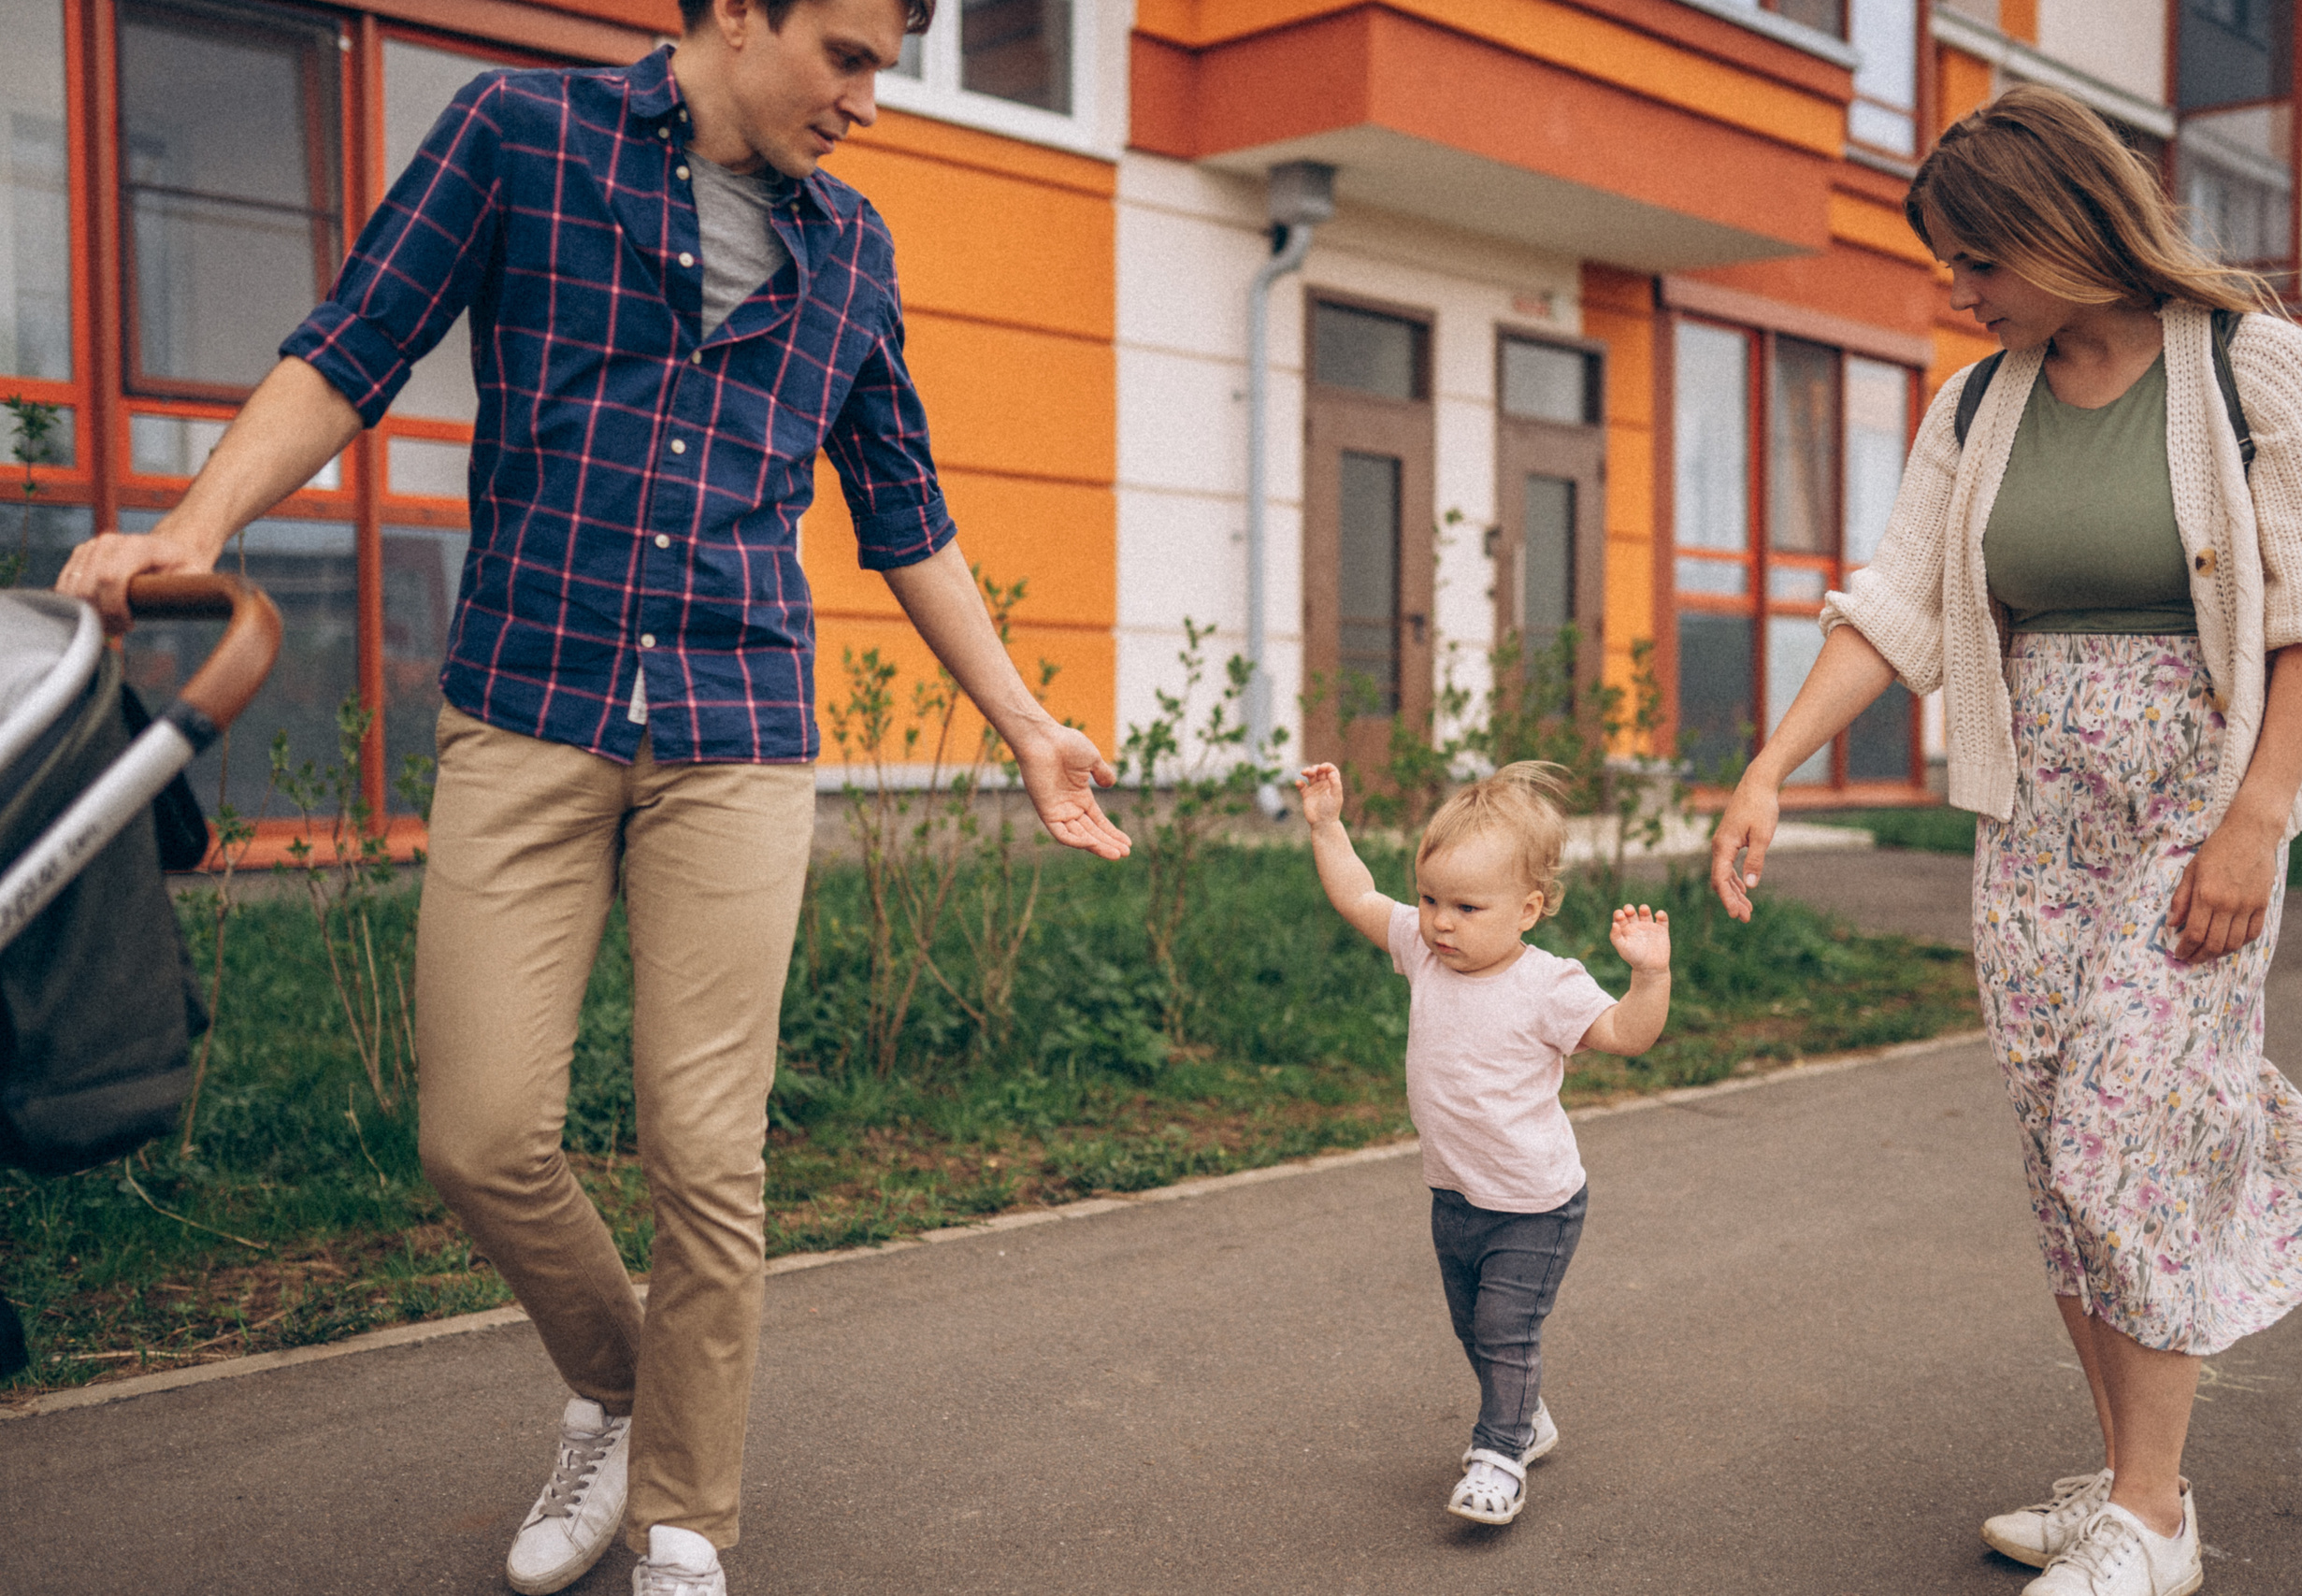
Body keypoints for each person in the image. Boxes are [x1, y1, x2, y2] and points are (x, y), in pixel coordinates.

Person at [56, 1, 1132, 1592]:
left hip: (738, 722)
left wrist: (1026, 720)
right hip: (532, 703)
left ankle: (686, 1516)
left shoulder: (853, 250)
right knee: (479, 1134)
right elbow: (353, 347)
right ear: (734, 16)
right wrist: (194, 522)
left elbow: (902, 507)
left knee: (708, 1154)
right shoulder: (519, 136)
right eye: (844, 54)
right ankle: (621, 1382)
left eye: (887, 64)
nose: (869, 101)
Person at [1708, 86, 2302, 1596]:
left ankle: (2149, 1520)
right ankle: (2133, 1487)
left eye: (1976, 259)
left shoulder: (2246, 361)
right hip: (2036, 812)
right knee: (2060, 1150)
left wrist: (2255, 821)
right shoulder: (1980, 399)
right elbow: (1891, 602)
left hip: (2195, 801)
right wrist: (1766, 766)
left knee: (2128, 1125)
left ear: (2060, 226)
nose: (1959, 291)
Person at [1294, 759, 1672, 1525]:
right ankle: (1525, 1415)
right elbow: (1358, 895)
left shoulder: (1549, 983)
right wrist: (1327, 824)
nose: (1440, 921)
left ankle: (1499, 1454)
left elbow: (1625, 1036)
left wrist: (1650, 977)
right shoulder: (1424, 951)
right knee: (1475, 1326)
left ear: (1528, 908)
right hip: (1455, 1194)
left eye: (1467, 906)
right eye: (1432, 898)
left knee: (1506, 1328)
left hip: (1535, 1203)